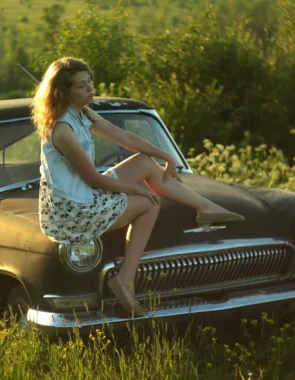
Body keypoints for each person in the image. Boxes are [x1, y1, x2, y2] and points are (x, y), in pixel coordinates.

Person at [32, 57, 244, 317]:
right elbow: (94, 180)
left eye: (90, 82)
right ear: (63, 92)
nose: (90, 89)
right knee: (150, 203)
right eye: (81, 86)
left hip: (85, 192)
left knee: (144, 162)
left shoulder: (82, 113)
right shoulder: (62, 130)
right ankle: (125, 279)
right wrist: (138, 190)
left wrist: (167, 157)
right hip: (73, 210)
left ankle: (204, 206)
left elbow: (124, 137)